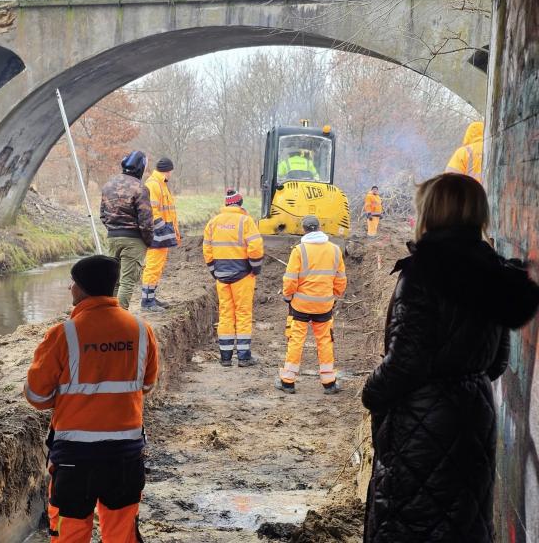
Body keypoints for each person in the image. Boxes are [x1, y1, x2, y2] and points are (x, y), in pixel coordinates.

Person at [362, 173, 539, 542]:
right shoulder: (494, 274)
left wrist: (371, 391)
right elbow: (497, 362)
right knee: (461, 523)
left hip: (421, 427)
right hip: (475, 416)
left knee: (411, 524)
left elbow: (405, 363)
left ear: (432, 212)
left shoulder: (423, 274)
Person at [25, 255, 158, 543]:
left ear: (82, 288)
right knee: (122, 534)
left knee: (70, 534)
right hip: (125, 454)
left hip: (75, 457)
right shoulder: (141, 330)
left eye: (72, 282)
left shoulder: (63, 334)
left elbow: (37, 395)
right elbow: (147, 385)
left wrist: (70, 398)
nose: (69, 288)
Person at [277, 215, 346, 394]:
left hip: (301, 305)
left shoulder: (299, 250)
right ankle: (329, 383)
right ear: (319, 228)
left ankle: (288, 382)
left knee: (296, 340)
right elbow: (340, 279)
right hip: (324, 306)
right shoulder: (335, 250)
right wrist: (335, 295)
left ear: (304, 229)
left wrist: (288, 296)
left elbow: (290, 279)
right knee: (325, 341)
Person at [202, 188, 264, 367]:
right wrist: (255, 268)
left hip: (221, 275)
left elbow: (207, 249)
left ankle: (225, 357)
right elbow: (255, 247)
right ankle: (244, 357)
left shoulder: (213, 222)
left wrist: (214, 271)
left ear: (226, 204)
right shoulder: (246, 221)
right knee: (243, 313)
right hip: (243, 274)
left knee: (225, 314)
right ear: (240, 203)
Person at [100, 150, 154, 309]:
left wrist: (113, 230)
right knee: (127, 281)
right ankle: (119, 317)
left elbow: (102, 214)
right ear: (141, 167)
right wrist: (148, 241)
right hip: (134, 240)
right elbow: (146, 221)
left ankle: (108, 314)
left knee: (113, 280)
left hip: (112, 238)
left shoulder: (108, 185)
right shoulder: (140, 188)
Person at [140, 157, 180, 312]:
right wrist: (163, 228)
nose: (171, 174)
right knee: (153, 266)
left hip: (162, 233)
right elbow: (152, 211)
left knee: (157, 267)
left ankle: (151, 297)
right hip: (157, 234)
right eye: (171, 171)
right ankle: (147, 302)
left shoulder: (161, 184)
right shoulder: (153, 184)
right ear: (167, 171)